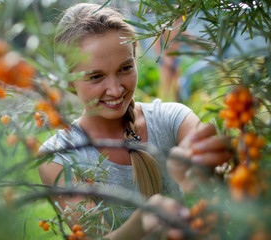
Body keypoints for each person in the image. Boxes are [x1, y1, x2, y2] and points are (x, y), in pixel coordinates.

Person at [38, 3, 231, 239]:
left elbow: (225, 183)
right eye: (96, 76)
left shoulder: (173, 119)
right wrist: (141, 222)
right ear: (68, 79)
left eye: (125, 68)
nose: (115, 88)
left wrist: (212, 171)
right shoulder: (58, 157)